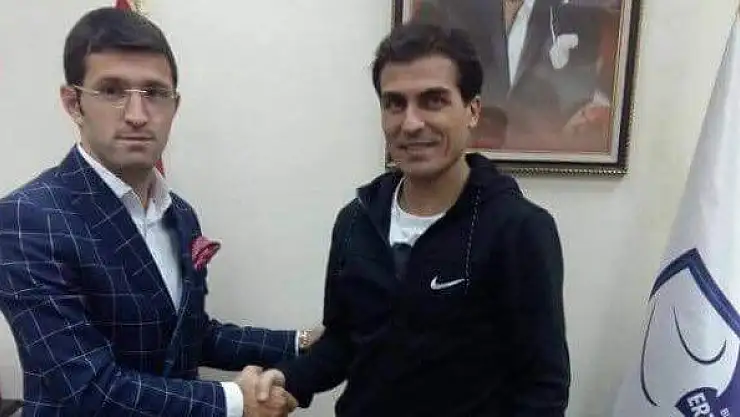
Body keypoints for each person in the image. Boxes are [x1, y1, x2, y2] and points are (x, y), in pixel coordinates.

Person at [0, 7, 319, 417]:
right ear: (74, 103)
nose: (137, 115)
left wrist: (301, 342)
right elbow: (89, 390)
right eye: (112, 90)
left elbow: (188, 335)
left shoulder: (180, 214)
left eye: (154, 92)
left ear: (174, 105)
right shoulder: (25, 219)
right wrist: (237, 401)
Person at [248, 22, 570, 417]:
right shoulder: (355, 221)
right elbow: (346, 340)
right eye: (395, 104)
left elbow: (543, 387)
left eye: (433, 101)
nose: (411, 123)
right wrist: (290, 380)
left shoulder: (519, 229)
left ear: (472, 111)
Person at [413, 0, 612, 151]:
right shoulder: (449, 8)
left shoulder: (578, 13)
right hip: (464, 153)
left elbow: (579, 91)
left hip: (542, 158)